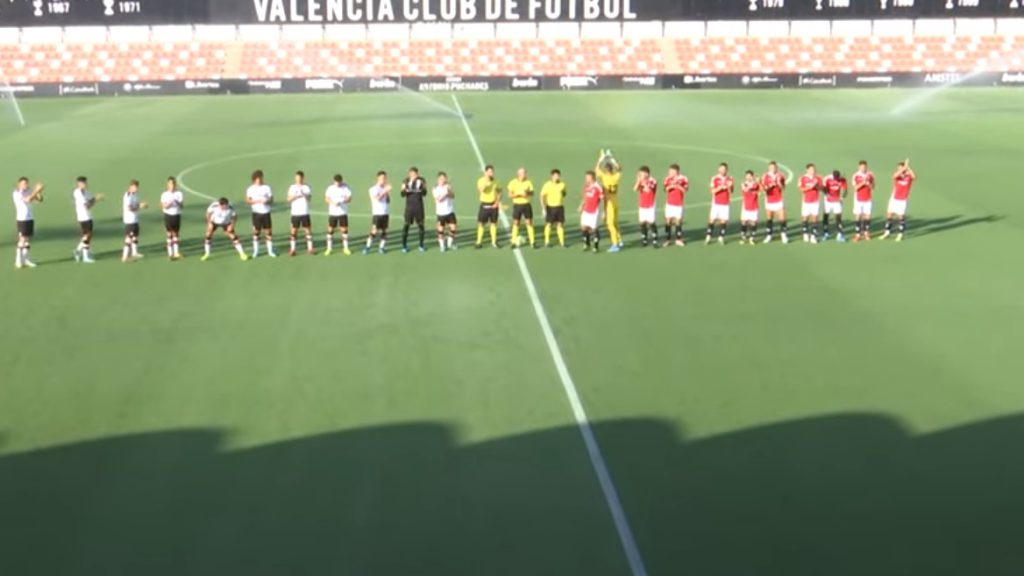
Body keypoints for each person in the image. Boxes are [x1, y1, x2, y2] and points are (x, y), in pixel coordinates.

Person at [881, 159, 916, 242]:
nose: (899, 170)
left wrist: (908, 168)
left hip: (902, 200)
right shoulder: (897, 176)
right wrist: (904, 168)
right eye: (899, 168)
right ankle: (887, 232)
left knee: (901, 217)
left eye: (901, 168)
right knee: (889, 215)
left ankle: (900, 234)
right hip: (894, 198)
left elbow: (914, 176)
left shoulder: (908, 177)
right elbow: (894, 176)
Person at [12, 177, 44, 269]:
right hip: (22, 219)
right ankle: (18, 260)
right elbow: (28, 200)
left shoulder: (29, 190)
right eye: (23, 183)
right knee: (22, 239)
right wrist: (36, 190)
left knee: (27, 240)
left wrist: (39, 192)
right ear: (18, 184)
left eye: (26, 183)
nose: (25, 185)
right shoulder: (17, 193)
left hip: (30, 218)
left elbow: (40, 199)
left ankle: (26, 259)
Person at [245, 169, 276, 258]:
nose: (260, 180)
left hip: (266, 212)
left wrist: (267, 200)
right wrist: (256, 201)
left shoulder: (267, 187)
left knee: (268, 232)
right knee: (256, 232)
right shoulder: (250, 189)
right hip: (256, 213)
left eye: (261, 178)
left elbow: (272, 199)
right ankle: (256, 251)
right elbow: (247, 200)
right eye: (258, 178)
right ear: (255, 179)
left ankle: (270, 251)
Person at [596, 151, 623, 251]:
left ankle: (615, 244)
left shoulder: (605, 177)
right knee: (615, 223)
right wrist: (612, 158)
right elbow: (620, 168)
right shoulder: (616, 177)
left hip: (609, 204)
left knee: (610, 224)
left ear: (606, 171)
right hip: (616, 202)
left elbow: (596, 169)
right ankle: (619, 240)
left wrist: (601, 159)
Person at [72, 176, 102, 263]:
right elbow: (87, 205)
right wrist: (95, 199)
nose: (85, 185)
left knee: (88, 236)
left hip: (88, 215)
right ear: (78, 184)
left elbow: (90, 203)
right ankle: (82, 254)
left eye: (85, 183)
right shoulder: (77, 193)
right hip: (82, 216)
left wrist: (95, 199)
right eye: (83, 183)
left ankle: (81, 252)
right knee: (87, 235)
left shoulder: (86, 192)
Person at [324, 174, 353, 256]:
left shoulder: (346, 187)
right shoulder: (330, 188)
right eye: (337, 182)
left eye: (339, 182)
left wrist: (342, 202)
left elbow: (349, 198)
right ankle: (329, 248)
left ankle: (346, 248)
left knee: (344, 230)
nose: (338, 184)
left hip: (343, 213)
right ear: (334, 181)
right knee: (330, 230)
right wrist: (333, 203)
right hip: (333, 213)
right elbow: (326, 198)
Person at [761, 161, 789, 244]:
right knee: (769, 218)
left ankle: (783, 235)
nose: (773, 169)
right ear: (769, 168)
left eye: (774, 167)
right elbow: (763, 189)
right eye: (771, 167)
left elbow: (783, 188)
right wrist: (770, 186)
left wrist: (779, 184)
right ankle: (769, 235)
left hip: (778, 200)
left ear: (776, 168)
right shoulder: (765, 176)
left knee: (782, 218)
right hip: (769, 200)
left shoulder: (780, 175)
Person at [507, 167, 536, 249]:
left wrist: (527, 193)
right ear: (519, 174)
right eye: (524, 173)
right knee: (516, 223)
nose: (525, 174)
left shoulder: (528, 182)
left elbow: (532, 192)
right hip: (517, 205)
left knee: (529, 223)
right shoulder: (512, 183)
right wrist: (519, 194)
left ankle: (532, 242)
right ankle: (513, 241)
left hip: (526, 205)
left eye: (525, 173)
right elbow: (510, 195)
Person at [400, 166, 428, 252]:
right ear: (409, 174)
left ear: (417, 174)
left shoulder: (422, 180)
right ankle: (404, 246)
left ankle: (421, 245)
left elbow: (424, 193)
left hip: (419, 206)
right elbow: (402, 194)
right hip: (409, 207)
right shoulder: (405, 181)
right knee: (406, 225)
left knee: (421, 225)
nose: (413, 175)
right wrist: (406, 188)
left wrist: (422, 187)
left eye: (415, 174)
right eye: (411, 173)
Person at [287, 170, 314, 256]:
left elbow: (309, 199)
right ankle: (293, 249)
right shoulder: (292, 187)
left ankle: (310, 248)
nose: (298, 179)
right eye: (296, 178)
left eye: (299, 178)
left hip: (304, 212)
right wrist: (295, 196)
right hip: (295, 213)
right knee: (294, 231)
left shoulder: (307, 187)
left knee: (307, 230)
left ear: (302, 178)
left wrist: (304, 194)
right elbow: (288, 199)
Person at [705, 163, 734, 245]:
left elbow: (731, 191)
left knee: (724, 220)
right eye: (721, 169)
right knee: (712, 219)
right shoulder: (715, 178)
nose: (723, 171)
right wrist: (720, 188)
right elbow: (712, 191)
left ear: (727, 170)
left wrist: (729, 187)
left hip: (725, 203)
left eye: (724, 169)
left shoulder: (730, 179)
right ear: (718, 169)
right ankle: (708, 236)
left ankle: (721, 237)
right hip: (716, 203)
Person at [364, 170, 391, 254]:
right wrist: (385, 191)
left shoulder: (384, 188)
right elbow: (377, 199)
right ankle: (367, 247)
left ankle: (381, 247)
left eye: (385, 178)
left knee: (384, 231)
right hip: (377, 213)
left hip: (385, 213)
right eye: (382, 178)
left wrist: (387, 193)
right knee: (374, 231)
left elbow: (388, 201)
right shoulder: (373, 189)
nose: (384, 180)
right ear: (378, 178)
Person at [121, 179, 148, 262]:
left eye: (137, 187)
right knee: (129, 238)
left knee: (135, 236)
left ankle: (134, 252)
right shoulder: (128, 195)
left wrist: (141, 205)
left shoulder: (135, 195)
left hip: (135, 219)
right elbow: (130, 208)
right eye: (134, 187)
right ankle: (124, 257)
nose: (136, 189)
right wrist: (140, 206)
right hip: (129, 220)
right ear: (130, 187)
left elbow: (135, 204)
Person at [475, 164, 501, 249]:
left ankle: (494, 241)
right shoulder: (481, 180)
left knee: (493, 223)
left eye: (492, 172)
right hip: (484, 205)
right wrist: (486, 183)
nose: (491, 173)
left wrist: (497, 202)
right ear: (485, 172)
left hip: (493, 205)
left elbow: (500, 192)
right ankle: (479, 242)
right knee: (481, 223)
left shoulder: (495, 181)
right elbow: (480, 190)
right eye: (489, 171)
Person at [541, 169, 567, 248]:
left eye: (558, 176)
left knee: (560, 224)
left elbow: (564, 193)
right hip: (550, 207)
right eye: (555, 176)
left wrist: (562, 194)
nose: (557, 177)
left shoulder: (562, 184)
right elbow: (542, 196)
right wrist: (543, 208)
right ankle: (547, 241)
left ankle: (562, 242)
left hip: (559, 207)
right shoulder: (547, 185)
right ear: (552, 176)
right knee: (549, 224)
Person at [663, 164, 688, 247]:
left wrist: (678, 186)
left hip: (679, 203)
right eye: (669, 171)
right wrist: (671, 186)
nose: (669, 172)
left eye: (671, 171)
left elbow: (685, 190)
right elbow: (665, 189)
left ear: (676, 171)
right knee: (668, 221)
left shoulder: (683, 179)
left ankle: (678, 239)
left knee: (678, 221)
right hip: (669, 203)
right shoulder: (668, 179)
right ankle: (667, 239)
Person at [433, 171, 458, 252]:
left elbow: (453, 196)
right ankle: (442, 245)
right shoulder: (435, 188)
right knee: (441, 230)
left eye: (444, 178)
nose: (443, 180)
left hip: (450, 211)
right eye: (441, 179)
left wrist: (449, 191)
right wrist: (445, 193)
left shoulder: (448, 186)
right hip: (441, 213)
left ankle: (450, 244)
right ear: (438, 179)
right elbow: (439, 199)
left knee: (453, 228)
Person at [160, 176, 184, 260]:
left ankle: (176, 252)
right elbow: (163, 206)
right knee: (169, 233)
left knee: (176, 234)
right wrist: (169, 203)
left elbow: (182, 206)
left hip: (176, 215)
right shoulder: (164, 194)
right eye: (170, 183)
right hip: (168, 215)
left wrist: (176, 201)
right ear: (168, 184)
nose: (172, 185)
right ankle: (170, 253)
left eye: (173, 183)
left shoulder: (179, 194)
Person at [798, 163, 823, 244]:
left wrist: (817, 186)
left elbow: (821, 188)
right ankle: (805, 233)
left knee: (815, 218)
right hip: (806, 201)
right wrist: (810, 187)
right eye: (811, 169)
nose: (813, 171)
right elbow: (801, 189)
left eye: (814, 169)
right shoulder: (802, 178)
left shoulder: (818, 178)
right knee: (805, 218)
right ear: (807, 170)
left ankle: (813, 236)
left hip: (815, 201)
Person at [579, 170, 603, 253]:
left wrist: (604, 211)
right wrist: (581, 205)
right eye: (586, 177)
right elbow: (585, 197)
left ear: (592, 178)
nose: (586, 179)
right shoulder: (586, 186)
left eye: (587, 177)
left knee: (594, 229)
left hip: (594, 211)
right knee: (583, 227)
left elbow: (602, 198)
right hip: (586, 210)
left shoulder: (598, 187)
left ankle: (596, 246)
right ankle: (587, 243)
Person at [851, 160, 876, 242]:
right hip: (858, 199)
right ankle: (858, 234)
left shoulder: (870, 175)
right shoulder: (855, 175)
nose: (863, 168)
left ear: (866, 167)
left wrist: (869, 184)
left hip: (868, 198)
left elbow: (873, 187)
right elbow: (855, 188)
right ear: (859, 167)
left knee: (867, 216)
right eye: (861, 167)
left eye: (864, 167)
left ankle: (866, 233)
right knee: (858, 216)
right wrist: (862, 183)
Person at [635, 165, 658, 247]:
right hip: (642, 205)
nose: (641, 176)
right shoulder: (640, 181)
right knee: (642, 223)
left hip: (650, 204)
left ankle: (655, 240)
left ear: (647, 174)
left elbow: (648, 189)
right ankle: (644, 240)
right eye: (640, 174)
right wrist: (638, 181)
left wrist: (643, 182)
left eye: (642, 174)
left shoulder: (652, 180)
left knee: (651, 222)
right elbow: (635, 189)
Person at [822, 169, 848, 242]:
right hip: (828, 200)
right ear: (832, 175)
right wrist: (827, 195)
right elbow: (823, 189)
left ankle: (840, 234)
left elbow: (845, 190)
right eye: (835, 178)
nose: (836, 179)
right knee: (826, 215)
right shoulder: (827, 179)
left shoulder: (842, 179)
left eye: (837, 178)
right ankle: (826, 233)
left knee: (838, 217)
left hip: (837, 200)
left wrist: (842, 197)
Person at [740, 170, 761, 245]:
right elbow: (746, 189)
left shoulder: (756, 184)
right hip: (745, 205)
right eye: (747, 176)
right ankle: (743, 237)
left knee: (753, 222)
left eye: (750, 176)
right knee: (744, 222)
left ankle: (752, 237)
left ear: (752, 176)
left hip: (754, 205)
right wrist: (756, 183)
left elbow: (761, 190)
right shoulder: (743, 184)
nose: (748, 177)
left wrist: (759, 182)